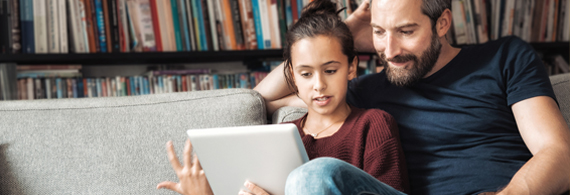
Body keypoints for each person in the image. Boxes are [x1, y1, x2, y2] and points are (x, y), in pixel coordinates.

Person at [254, 0, 570, 194]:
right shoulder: (364, 91)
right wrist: (338, 36)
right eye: (379, 32)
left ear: (442, 22)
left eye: (405, 32)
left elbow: (558, 152)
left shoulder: (504, 57)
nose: (389, 52)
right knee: (314, 177)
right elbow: (261, 101)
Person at [156, 0, 410, 194]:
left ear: (351, 68)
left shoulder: (373, 124)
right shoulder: (278, 138)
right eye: (306, 74)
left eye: (330, 71)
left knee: (313, 174)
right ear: (292, 76)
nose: (319, 85)